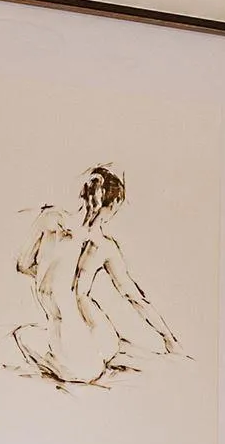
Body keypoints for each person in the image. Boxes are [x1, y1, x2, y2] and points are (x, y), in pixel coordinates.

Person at [10, 163, 184, 387]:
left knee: (103, 352)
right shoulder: (82, 235)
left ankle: (57, 342)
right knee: (86, 371)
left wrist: (48, 280)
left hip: (88, 321)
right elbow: (133, 297)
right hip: (70, 317)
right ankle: (32, 337)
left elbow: (24, 264)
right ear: (111, 206)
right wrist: (169, 339)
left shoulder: (53, 220)